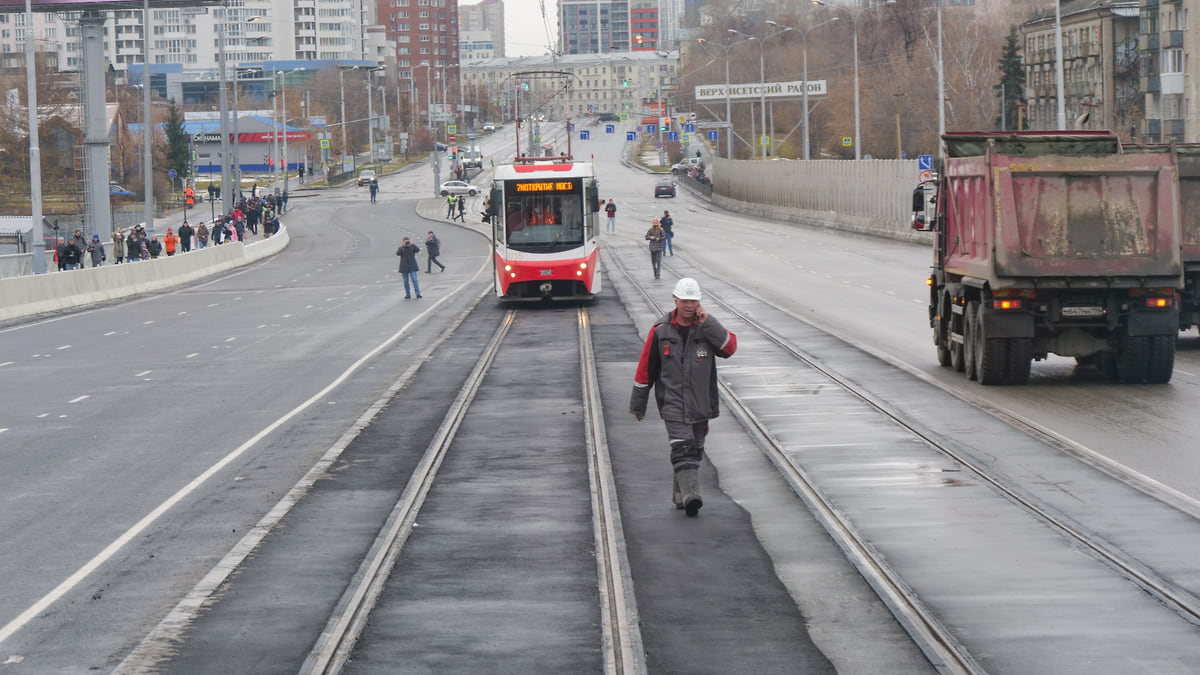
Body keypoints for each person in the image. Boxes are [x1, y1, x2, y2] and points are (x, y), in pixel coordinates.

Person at [629, 277, 738, 516]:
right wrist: (639, 404)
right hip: (673, 402)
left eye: (693, 301)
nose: (689, 305)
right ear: (675, 300)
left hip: (701, 404)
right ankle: (692, 496)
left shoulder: (706, 328)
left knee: (695, 449)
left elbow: (729, 349)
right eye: (685, 300)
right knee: (683, 448)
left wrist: (710, 323)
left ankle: (680, 495)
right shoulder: (661, 331)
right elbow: (646, 368)